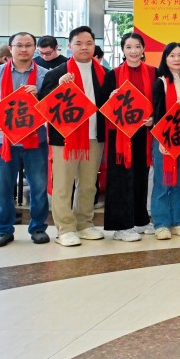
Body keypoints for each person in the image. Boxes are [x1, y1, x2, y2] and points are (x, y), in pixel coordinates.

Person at [38, 26, 111, 247]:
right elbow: (43, 105)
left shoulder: (104, 74)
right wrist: (59, 88)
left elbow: (109, 104)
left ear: (94, 46)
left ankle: (84, 223)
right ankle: (65, 229)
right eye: (78, 43)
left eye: (89, 43)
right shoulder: (56, 73)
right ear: (69, 46)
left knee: (88, 184)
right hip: (65, 138)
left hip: (94, 136)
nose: (84, 47)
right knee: (63, 185)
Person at [0, 33, 50, 247]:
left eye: (28, 45)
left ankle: (38, 228)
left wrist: (39, 95)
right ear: (10, 49)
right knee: (2, 188)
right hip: (3, 140)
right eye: (19, 45)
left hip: (35, 140)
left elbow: (51, 107)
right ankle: (3, 230)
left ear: (35, 48)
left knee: (39, 187)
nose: (24, 49)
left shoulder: (45, 75)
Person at [100, 32, 156, 242]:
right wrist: (111, 99)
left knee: (141, 177)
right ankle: (120, 227)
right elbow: (102, 106)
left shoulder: (153, 72)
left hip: (144, 133)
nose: (134, 51)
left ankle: (140, 220)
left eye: (137, 46)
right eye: (129, 47)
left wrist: (154, 119)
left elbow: (159, 101)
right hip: (120, 136)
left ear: (143, 49)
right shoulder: (113, 75)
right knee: (120, 179)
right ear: (123, 50)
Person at [150, 42, 180, 240]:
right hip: (164, 138)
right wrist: (162, 139)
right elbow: (157, 112)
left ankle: (179, 221)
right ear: (165, 58)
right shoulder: (160, 82)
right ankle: (161, 223)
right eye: (172, 55)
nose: (177, 59)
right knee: (163, 182)